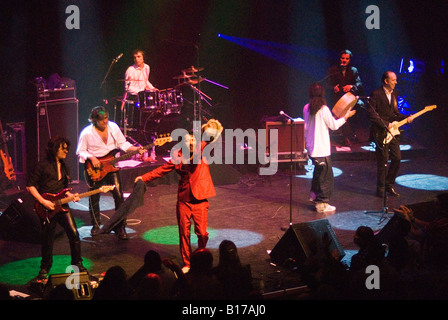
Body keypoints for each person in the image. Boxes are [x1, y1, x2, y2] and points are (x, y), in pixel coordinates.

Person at [135, 119, 223, 272]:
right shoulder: (179, 156)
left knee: (202, 233)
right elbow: (161, 170)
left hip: (200, 199)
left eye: (192, 140)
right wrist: (144, 177)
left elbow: (212, 139)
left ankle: (201, 257)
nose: (190, 142)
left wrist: (213, 128)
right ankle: (188, 263)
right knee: (184, 232)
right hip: (183, 199)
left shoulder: (202, 149)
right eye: (187, 140)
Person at [76, 106, 143, 239]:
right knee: (94, 197)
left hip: (112, 167)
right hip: (95, 169)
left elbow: (123, 144)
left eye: (106, 118)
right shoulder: (87, 133)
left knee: (119, 196)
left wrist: (135, 149)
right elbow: (80, 151)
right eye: (101, 120)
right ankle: (96, 225)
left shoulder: (113, 127)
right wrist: (92, 157)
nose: (105, 122)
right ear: (94, 120)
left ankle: (120, 227)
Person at [26, 135, 86, 280]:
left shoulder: (64, 166)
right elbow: (30, 186)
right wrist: (42, 201)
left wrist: (73, 196)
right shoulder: (42, 165)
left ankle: (77, 264)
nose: (66, 151)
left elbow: (64, 189)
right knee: (48, 239)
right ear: (54, 149)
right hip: (46, 207)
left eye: (67, 148)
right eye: (63, 148)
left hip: (62, 206)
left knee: (74, 233)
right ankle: (45, 268)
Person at [304, 83, 356, 213]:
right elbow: (333, 126)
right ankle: (321, 204)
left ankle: (314, 197)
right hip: (321, 149)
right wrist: (345, 117)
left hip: (311, 147)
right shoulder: (323, 109)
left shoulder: (306, 108)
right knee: (325, 177)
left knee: (318, 174)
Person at [367, 71, 413, 198]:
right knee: (383, 161)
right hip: (380, 132)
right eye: (393, 80)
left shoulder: (395, 94)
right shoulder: (376, 94)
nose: (396, 82)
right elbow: (371, 114)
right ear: (386, 81)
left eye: (396, 80)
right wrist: (385, 124)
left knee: (397, 158)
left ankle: (388, 185)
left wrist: (406, 118)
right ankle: (380, 188)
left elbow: (395, 113)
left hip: (392, 132)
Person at [325, 49, 364, 146]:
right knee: (339, 111)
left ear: (349, 60)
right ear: (340, 58)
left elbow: (359, 84)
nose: (344, 60)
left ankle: (351, 131)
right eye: (343, 58)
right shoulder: (333, 70)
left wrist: (351, 86)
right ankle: (346, 136)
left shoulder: (353, 70)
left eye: (347, 59)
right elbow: (326, 84)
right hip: (337, 98)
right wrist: (333, 88)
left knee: (361, 106)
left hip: (349, 97)